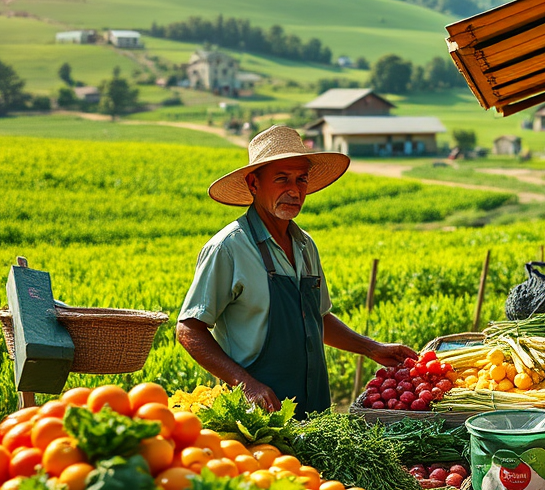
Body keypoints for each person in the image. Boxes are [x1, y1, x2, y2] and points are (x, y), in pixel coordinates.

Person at [177, 125, 415, 417]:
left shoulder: (305, 245)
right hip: (257, 417)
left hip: (315, 408)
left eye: (301, 180)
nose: (295, 190)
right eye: (282, 179)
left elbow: (318, 317)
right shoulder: (229, 248)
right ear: (254, 184)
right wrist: (248, 385)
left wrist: (370, 348)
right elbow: (189, 329)